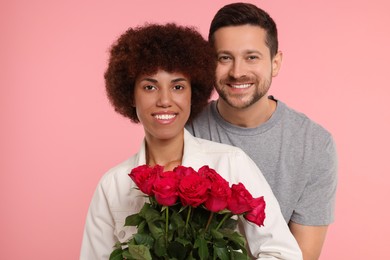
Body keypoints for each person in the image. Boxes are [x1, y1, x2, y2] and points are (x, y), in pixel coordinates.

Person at [80, 23, 302, 259]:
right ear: (130, 95)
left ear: (192, 93)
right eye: (149, 87)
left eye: (177, 86)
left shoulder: (231, 164)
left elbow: (283, 253)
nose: (164, 100)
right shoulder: (112, 186)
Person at [186, 2, 338, 260]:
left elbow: (303, 255)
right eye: (224, 58)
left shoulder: (314, 144)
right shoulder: (187, 129)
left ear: (275, 63)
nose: (237, 72)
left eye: (251, 57)